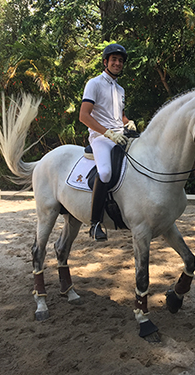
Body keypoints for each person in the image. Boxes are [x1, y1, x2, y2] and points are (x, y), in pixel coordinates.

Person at [79, 43, 135, 241]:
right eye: (114, 60)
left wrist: (128, 123)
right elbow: (84, 116)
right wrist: (107, 133)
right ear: (105, 62)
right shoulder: (94, 83)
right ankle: (95, 224)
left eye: (120, 61)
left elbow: (119, 115)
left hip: (120, 135)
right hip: (100, 137)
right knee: (105, 172)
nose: (117, 63)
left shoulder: (120, 89)